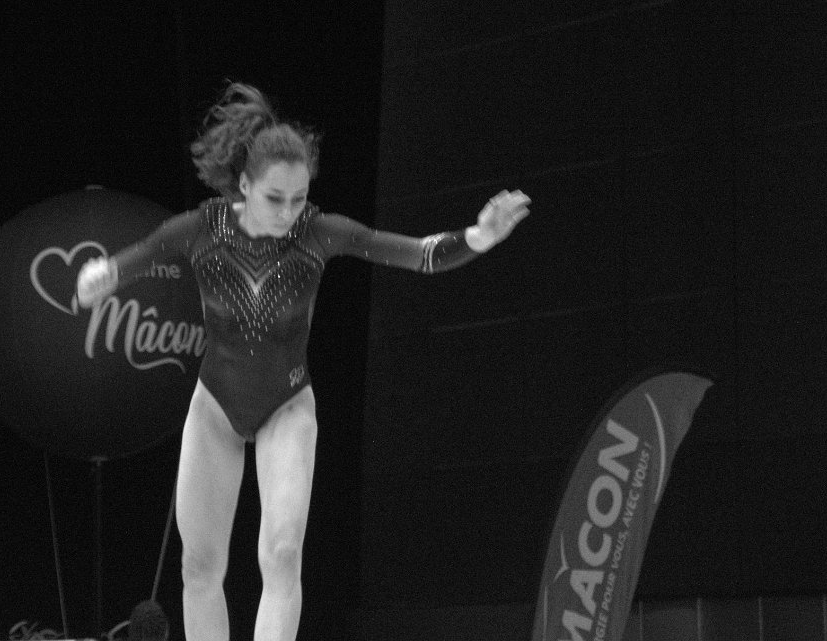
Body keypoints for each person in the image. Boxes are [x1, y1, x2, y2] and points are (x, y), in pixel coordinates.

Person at [76, 83, 529, 641]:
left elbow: (418, 255)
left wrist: (479, 236)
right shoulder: (200, 230)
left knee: (283, 553)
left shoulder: (318, 234)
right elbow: (140, 257)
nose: (289, 212)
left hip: (286, 405)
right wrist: (103, 276)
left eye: (299, 198)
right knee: (200, 566)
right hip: (215, 407)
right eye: (275, 198)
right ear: (244, 185)